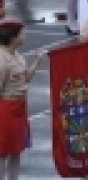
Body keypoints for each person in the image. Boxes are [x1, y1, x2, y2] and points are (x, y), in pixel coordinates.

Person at [0, 19, 42, 180]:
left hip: (19, 107)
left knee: (16, 149)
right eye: (22, 33)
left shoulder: (17, 56)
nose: (25, 36)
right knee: (3, 151)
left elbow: (24, 80)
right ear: (12, 37)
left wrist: (36, 64)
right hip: (6, 109)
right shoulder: (2, 60)